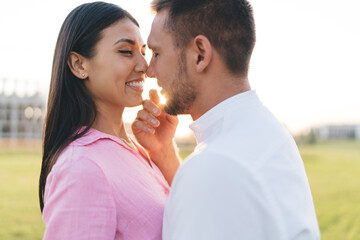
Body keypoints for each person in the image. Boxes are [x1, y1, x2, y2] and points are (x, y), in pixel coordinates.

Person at [132, 0, 321, 239]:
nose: (149, 70)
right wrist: (165, 152)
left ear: (200, 54)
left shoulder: (212, 168)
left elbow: (215, 176)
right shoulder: (267, 131)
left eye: (156, 53)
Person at [38, 2, 179, 239]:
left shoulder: (134, 149)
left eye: (143, 52)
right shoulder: (82, 168)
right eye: (126, 51)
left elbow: (189, 211)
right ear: (79, 64)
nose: (144, 66)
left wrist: (164, 152)